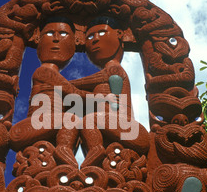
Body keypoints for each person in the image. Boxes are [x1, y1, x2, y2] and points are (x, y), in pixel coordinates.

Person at [9, 16, 89, 166]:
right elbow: (76, 94)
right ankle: (64, 156)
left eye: (63, 34)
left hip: (45, 131)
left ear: (75, 42)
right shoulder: (44, 72)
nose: (56, 39)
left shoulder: (57, 79)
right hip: (23, 131)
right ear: (38, 40)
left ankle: (60, 160)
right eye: (50, 34)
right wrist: (106, 98)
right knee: (70, 119)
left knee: (79, 128)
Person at [71, 16, 150, 167]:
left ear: (120, 34)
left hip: (130, 131)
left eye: (101, 33)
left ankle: (96, 151)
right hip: (114, 130)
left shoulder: (113, 69)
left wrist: (52, 83)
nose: (94, 40)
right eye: (90, 36)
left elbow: (75, 85)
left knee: (88, 120)